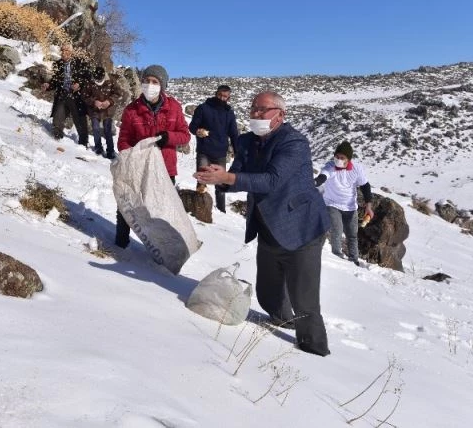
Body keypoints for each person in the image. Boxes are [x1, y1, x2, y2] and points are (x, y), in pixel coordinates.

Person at [195, 90, 331, 357]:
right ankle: (282, 320)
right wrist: (217, 178)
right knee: (268, 292)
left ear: (280, 115)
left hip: (301, 228)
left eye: (263, 109)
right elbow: (238, 175)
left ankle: (314, 351)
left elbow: (270, 181)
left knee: (304, 300)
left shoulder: (294, 143)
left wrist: (230, 179)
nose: (256, 114)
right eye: (253, 108)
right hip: (269, 226)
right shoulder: (246, 141)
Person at [114, 64, 191, 248]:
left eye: (155, 82)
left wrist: (169, 138)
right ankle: (121, 244)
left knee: (162, 211)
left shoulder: (173, 107)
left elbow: (185, 135)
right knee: (128, 204)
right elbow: (123, 140)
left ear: (162, 85)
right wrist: (134, 154)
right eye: (146, 81)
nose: (150, 85)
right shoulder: (131, 110)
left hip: (165, 168)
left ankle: (163, 251)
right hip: (138, 167)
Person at [315, 141, 374, 266]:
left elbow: (365, 187)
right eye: (337, 157)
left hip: (350, 206)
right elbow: (323, 177)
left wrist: (368, 206)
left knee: (352, 234)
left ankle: (354, 260)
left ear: (349, 159)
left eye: (342, 158)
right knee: (337, 230)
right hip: (332, 204)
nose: (338, 160)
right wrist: (314, 182)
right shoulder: (330, 166)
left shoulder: (357, 169)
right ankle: (337, 257)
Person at [189, 84, 239, 212]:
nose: (222, 99)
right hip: (204, 150)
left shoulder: (229, 112)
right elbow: (192, 126)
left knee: (221, 184)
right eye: (220, 95)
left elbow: (233, 133)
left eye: (225, 97)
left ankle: (222, 211)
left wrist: (237, 151)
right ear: (216, 93)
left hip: (221, 153)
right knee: (202, 180)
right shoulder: (203, 108)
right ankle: (200, 210)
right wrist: (197, 131)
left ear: (229, 97)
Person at [41, 43, 92, 146]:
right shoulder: (58, 64)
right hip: (62, 94)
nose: (64, 53)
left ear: (71, 52)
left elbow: (88, 78)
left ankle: (83, 143)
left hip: (76, 96)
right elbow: (55, 81)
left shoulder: (80, 63)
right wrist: (48, 86)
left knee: (79, 120)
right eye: (63, 50)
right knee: (58, 116)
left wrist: (79, 84)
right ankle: (56, 138)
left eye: (67, 51)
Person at [83, 66, 121, 159]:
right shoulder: (89, 83)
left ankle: (110, 151)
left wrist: (109, 101)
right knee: (96, 128)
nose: (98, 81)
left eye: (100, 79)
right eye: (97, 79)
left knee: (107, 130)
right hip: (95, 110)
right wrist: (94, 102)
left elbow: (118, 93)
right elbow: (84, 96)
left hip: (108, 110)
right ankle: (98, 148)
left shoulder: (111, 80)